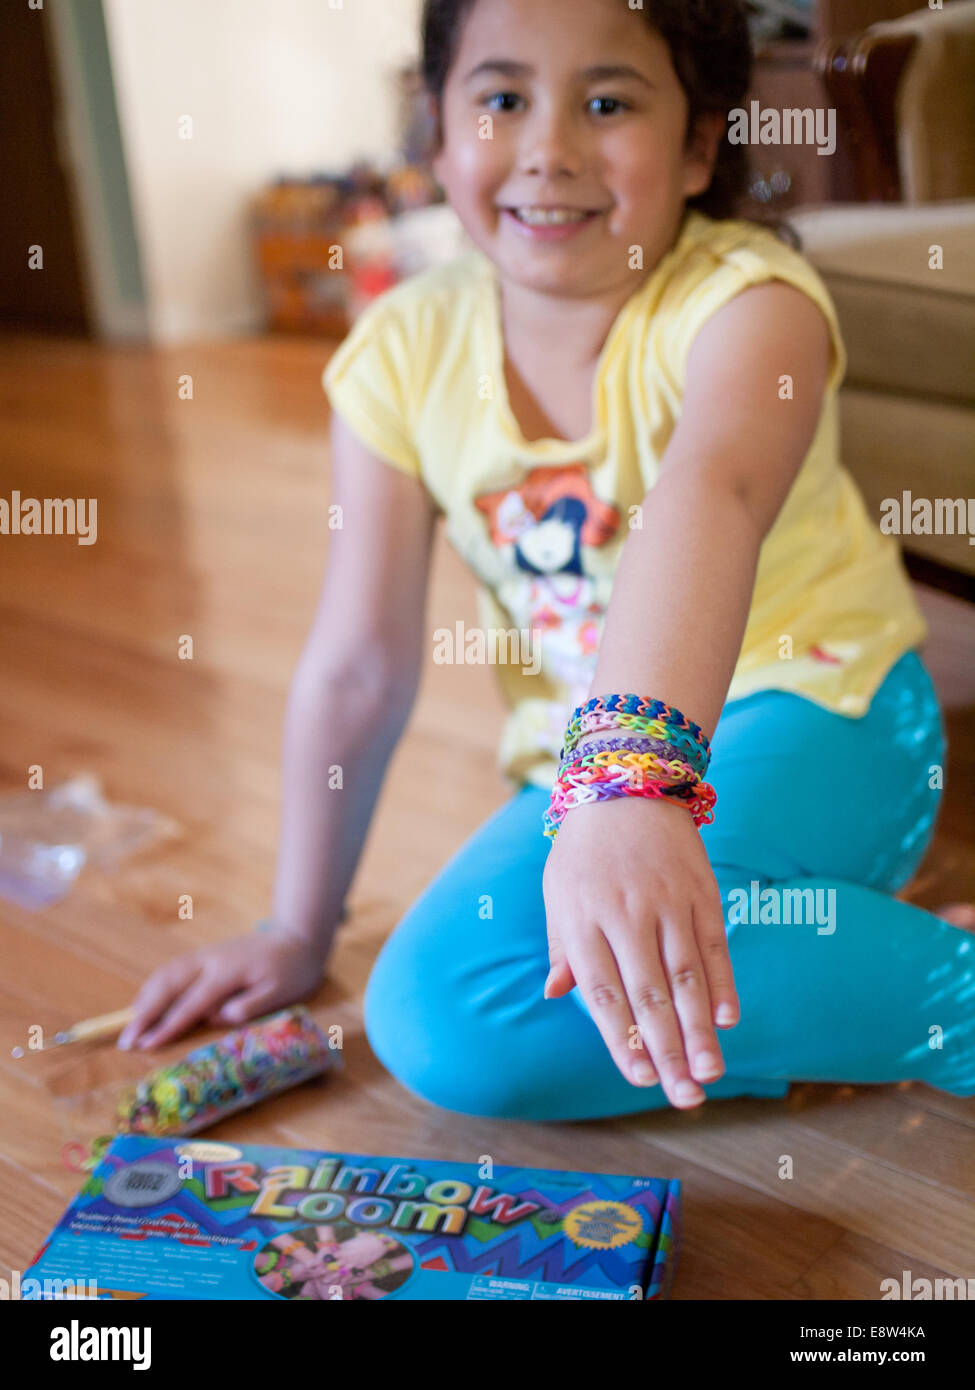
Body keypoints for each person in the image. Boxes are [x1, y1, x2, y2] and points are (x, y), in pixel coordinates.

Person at [120, 0, 975, 1120]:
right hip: (594, 782)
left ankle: (937, 995)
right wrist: (297, 926)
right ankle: (833, 939)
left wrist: (635, 782)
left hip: (827, 708)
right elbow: (358, 666)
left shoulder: (752, 310)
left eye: (608, 102)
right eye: (503, 98)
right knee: (445, 1014)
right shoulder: (400, 351)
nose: (549, 149)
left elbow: (705, 498)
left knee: (482, 1005)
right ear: (437, 128)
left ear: (699, 145)